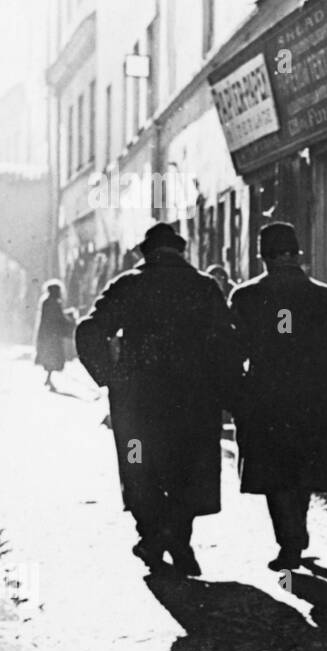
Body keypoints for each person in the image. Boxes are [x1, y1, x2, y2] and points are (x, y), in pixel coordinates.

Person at [75, 223, 242, 575]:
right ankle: (178, 540)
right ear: (181, 251)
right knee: (188, 470)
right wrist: (226, 391)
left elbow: (88, 329)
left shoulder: (129, 284)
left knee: (139, 467)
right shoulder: (204, 287)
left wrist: (110, 377)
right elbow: (228, 342)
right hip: (194, 403)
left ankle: (152, 536)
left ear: (146, 252)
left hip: (137, 403)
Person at [230, 222, 327, 571]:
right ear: (298, 253)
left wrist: (237, 398)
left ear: (262, 256)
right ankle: (295, 533)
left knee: (275, 476)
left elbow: (231, 352)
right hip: (314, 402)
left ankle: (290, 540)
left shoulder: (246, 296)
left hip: (265, 402)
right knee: (302, 473)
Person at [34, 280, 70, 389]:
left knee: (49, 357)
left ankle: (48, 379)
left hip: (45, 333)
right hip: (53, 335)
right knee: (53, 357)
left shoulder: (45, 301)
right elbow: (59, 318)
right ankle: (48, 379)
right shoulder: (55, 303)